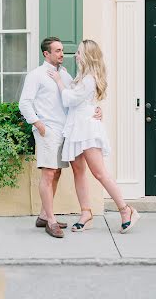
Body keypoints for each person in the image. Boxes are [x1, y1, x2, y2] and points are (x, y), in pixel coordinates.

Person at [49, 39, 140, 234]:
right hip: (75, 128)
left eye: (80, 52)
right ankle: (86, 213)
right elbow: (82, 102)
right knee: (78, 172)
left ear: (88, 56)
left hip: (87, 130)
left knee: (99, 173)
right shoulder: (81, 77)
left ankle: (126, 210)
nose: (76, 55)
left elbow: (70, 99)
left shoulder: (89, 79)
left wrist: (58, 81)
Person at [19, 37, 101, 239]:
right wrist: (38, 124)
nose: (62, 54)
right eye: (57, 50)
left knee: (56, 174)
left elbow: (77, 99)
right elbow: (25, 103)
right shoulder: (36, 75)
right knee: (48, 174)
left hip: (66, 131)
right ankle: (51, 221)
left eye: (62, 50)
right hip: (48, 131)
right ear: (46, 54)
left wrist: (97, 110)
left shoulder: (65, 75)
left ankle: (43, 215)